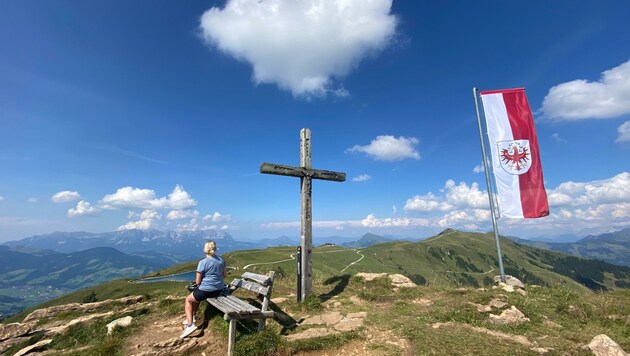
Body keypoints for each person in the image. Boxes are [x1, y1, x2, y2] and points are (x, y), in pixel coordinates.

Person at [180, 240, 227, 338]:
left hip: (206, 291)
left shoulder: (203, 262)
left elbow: (197, 281)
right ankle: (192, 318)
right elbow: (224, 275)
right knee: (196, 299)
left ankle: (190, 325)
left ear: (205, 250)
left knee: (188, 300)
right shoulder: (221, 261)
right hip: (219, 290)